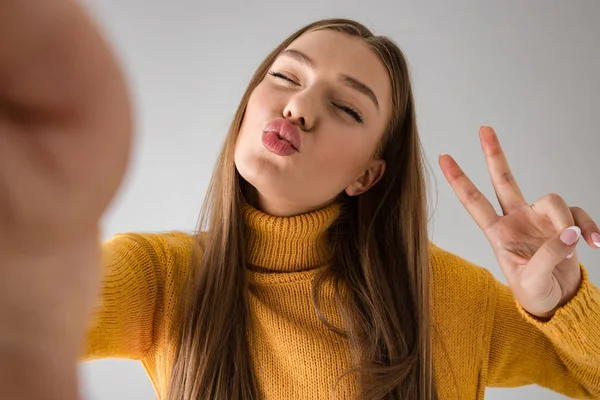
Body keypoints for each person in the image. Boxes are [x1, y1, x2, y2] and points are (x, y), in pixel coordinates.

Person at [1, 1, 599, 400]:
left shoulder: (447, 299)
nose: (298, 108)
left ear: (368, 176)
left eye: (346, 107)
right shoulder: (161, 278)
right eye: (286, 76)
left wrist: (563, 303)